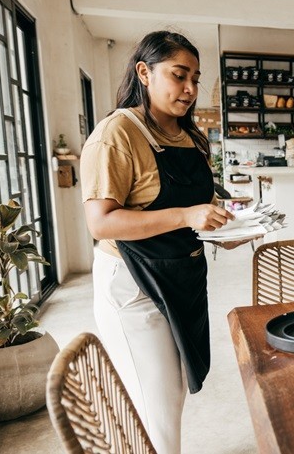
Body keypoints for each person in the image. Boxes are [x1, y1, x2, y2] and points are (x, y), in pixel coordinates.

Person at [81, 31, 243, 453]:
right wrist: (186, 216)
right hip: (133, 283)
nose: (190, 89)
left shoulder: (192, 138)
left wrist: (228, 231)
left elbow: (202, 210)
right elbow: (101, 222)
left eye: (195, 78)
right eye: (178, 75)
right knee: (158, 404)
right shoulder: (116, 134)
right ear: (144, 73)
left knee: (173, 391)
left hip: (182, 279)